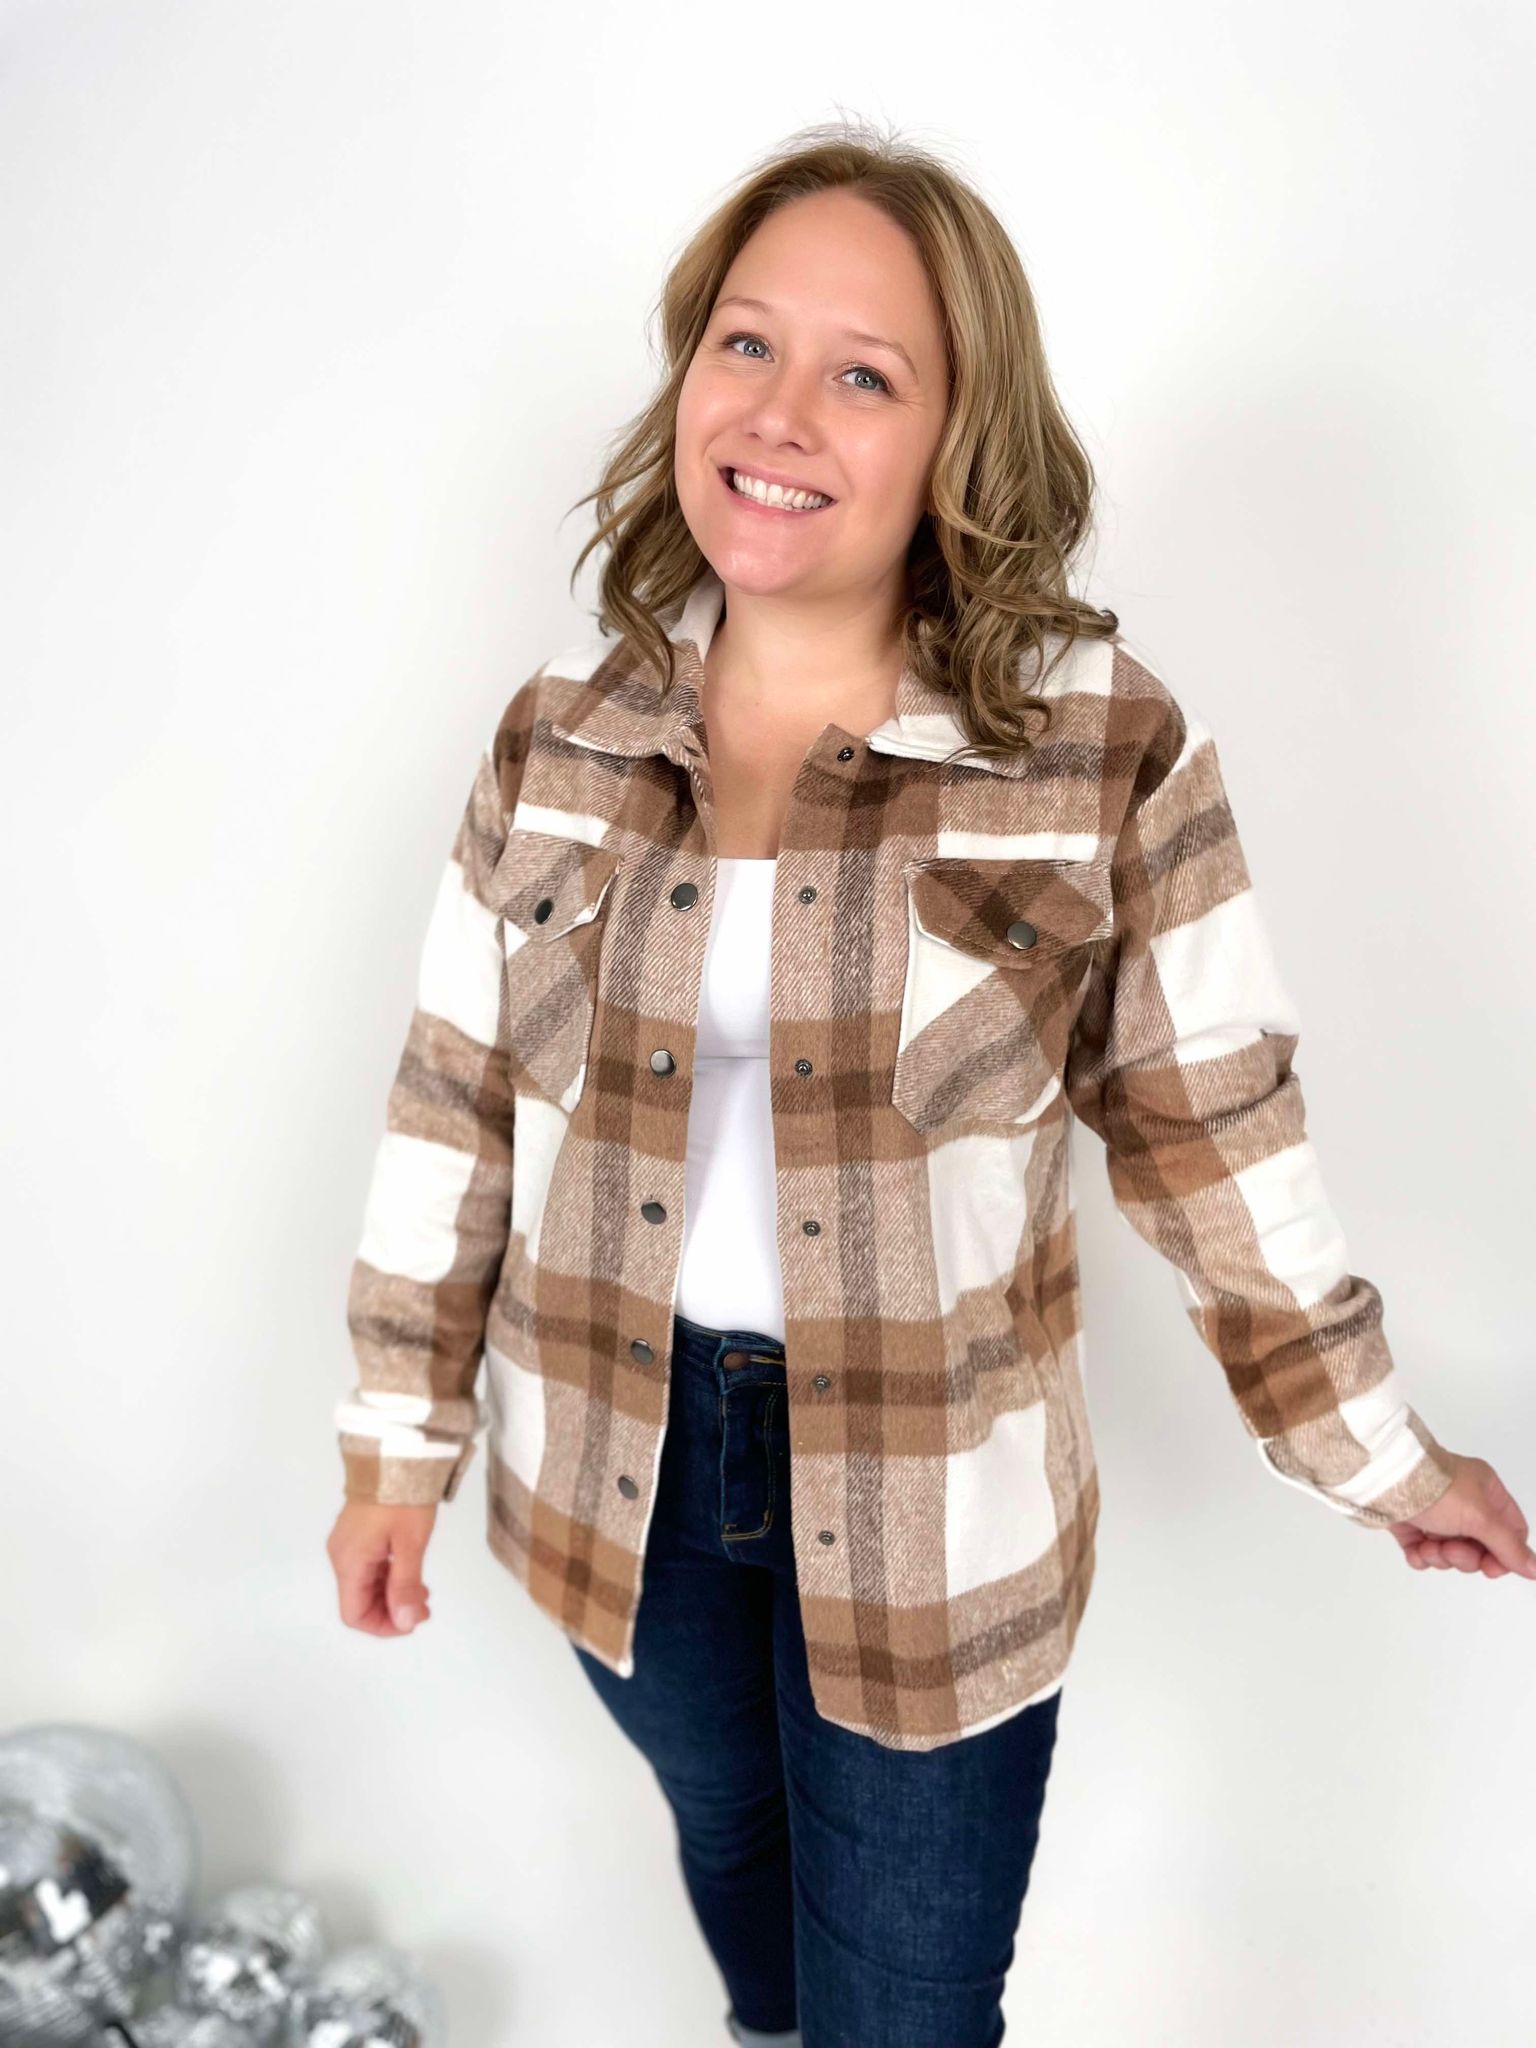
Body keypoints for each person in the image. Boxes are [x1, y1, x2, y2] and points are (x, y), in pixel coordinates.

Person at [325, 119, 1536, 2048]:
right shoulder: (562, 731)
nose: (778, 411)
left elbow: (1213, 1133)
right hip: (612, 1464)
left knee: (907, 2006)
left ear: (959, 439)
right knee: (732, 1852)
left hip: (933, 1510)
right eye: (746, 342)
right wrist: (397, 1439)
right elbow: (452, 1097)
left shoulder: (1096, 745)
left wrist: (1375, 1453)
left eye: (864, 374)